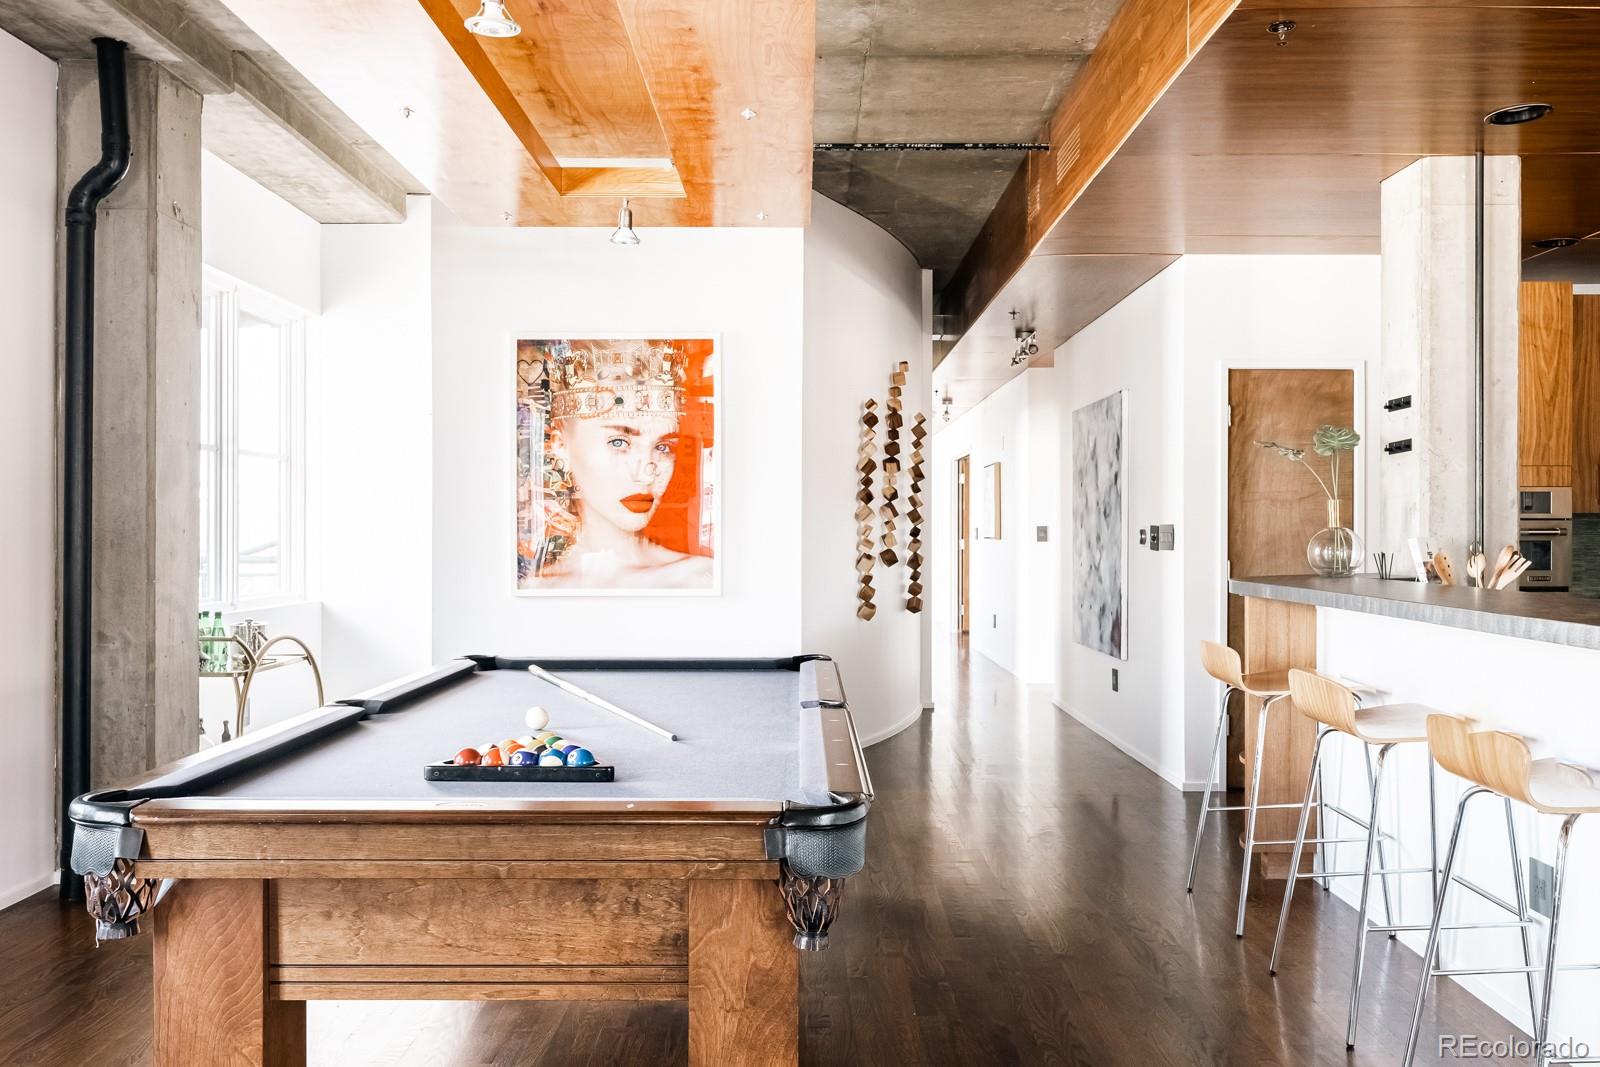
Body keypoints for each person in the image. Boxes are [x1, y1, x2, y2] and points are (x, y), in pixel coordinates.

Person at [519, 339, 712, 590]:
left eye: (663, 447)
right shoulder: (533, 590)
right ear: (560, 446)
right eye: (619, 442)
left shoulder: (700, 579)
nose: (646, 473)